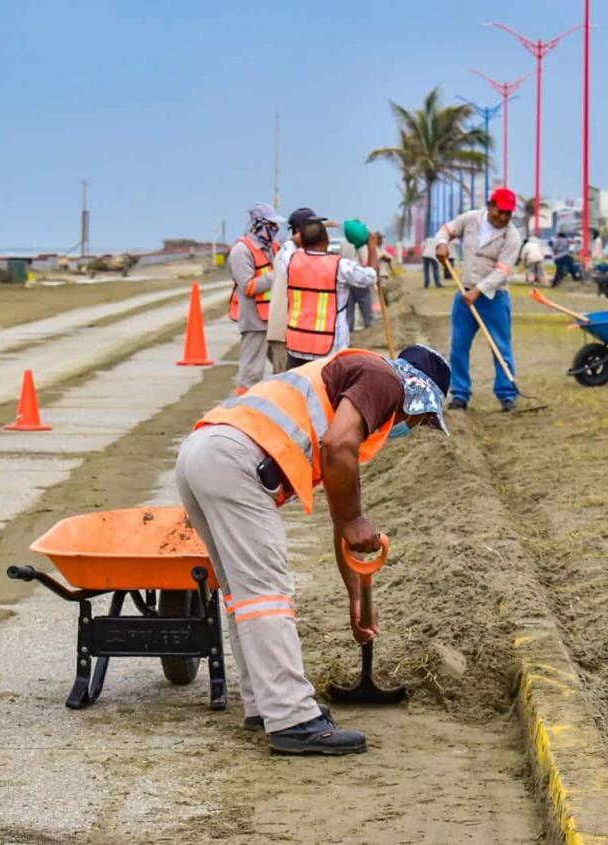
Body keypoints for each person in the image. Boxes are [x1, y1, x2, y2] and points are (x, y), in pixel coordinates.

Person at [175, 343, 451, 754]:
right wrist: (357, 520)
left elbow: (342, 521)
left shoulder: (351, 389)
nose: (412, 427)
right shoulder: (384, 379)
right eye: (423, 417)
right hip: (233, 460)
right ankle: (292, 719)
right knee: (268, 595)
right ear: (417, 393)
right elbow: (339, 448)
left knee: (246, 597)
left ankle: (264, 704)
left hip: (204, 453)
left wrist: (356, 597)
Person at [434, 187, 522, 412]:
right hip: (464, 294)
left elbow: (502, 271)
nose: (503, 217)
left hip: (495, 297)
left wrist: (479, 291)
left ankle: (507, 393)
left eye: (508, 214)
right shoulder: (471, 219)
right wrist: (442, 244)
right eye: (500, 211)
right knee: (459, 347)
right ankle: (460, 394)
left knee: (501, 347)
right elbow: (446, 230)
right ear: (491, 206)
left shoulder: (512, 236)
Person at [282, 216, 378, 369]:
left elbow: (290, 242)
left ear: (304, 240)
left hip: (297, 346)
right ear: (326, 240)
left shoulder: (290, 260)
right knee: (327, 391)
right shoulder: (340, 266)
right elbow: (371, 276)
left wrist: (313, 229)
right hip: (330, 348)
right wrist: (371, 246)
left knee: (298, 390)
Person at [228, 203, 285, 393]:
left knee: (283, 368)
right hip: (254, 320)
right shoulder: (241, 251)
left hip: (274, 318)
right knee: (251, 373)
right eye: (271, 225)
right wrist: (277, 273)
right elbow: (248, 286)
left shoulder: (274, 247)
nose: (275, 229)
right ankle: (242, 410)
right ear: (258, 224)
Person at [266, 209, 315, 374]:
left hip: (291, 332)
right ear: (300, 232)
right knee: (284, 385)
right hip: (284, 333)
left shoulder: (293, 252)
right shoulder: (290, 255)